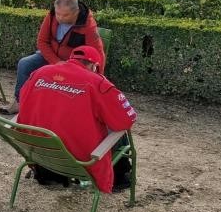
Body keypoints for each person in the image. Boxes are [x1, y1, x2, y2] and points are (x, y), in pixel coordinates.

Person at [17, 45, 136, 193]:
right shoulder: (97, 83)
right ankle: (120, 179)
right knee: (118, 132)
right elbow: (126, 120)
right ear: (94, 66)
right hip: (80, 161)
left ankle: (48, 174)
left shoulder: (40, 72)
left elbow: (23, 101)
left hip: (40, 154)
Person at [0, 0, 105, 115]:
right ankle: (19, 102)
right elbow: (42, 42)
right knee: (25, 64)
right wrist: (57, 62)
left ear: (76, 12)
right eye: (58, 13)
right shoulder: (52, 15)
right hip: (51, 58)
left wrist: (99, 80)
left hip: (74, 64)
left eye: (65, 15)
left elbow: (98, 53)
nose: (59, 18)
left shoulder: (87, 24)